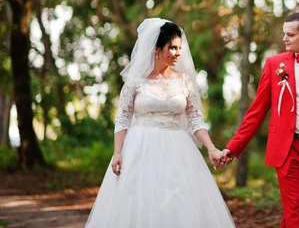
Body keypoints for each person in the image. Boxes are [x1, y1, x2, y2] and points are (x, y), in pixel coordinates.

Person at [86, 18, 235, 228]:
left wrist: (211, 148)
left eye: (179, 48)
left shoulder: (185, 81)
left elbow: (195, 120)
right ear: (156, 49)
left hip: (178, 149)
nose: (177, 53)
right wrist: (118, 152)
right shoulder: (135, 82)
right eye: (172, 48)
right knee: (139, 202)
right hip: (139, 149)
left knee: (177, 201)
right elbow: (122, 119)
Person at [221, 12, 299, 228]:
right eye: (284, 34)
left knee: (298, 213)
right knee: (297, 212)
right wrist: (233, 148)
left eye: (290, 34)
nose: (284, 39)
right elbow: (256, 111)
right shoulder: (274, 64)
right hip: (288, 149)